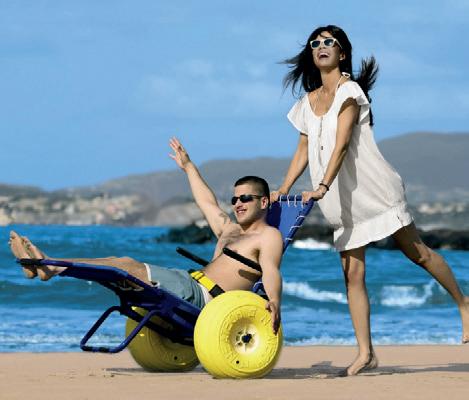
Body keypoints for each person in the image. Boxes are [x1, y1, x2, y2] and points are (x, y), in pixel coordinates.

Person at [271, 25, 469, 375]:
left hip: (373, 190)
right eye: (315, 43)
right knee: (352, 274)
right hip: (342, 200)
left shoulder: (350, 91)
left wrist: (322, 185)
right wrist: (284, 188)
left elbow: (342, 143)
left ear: (342, 53)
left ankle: (464, 303)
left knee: (418, 253)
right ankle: (366, 354)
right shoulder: (306, 103)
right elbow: (303, 149)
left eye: (329, 42)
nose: (321, 46)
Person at [10, 137, 284, 333]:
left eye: (245, 198)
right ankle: (50, 267)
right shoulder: (230, 230)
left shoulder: (268, 235)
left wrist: (273, 300)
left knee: (124, 265)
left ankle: (52, 267)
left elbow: (271, 270)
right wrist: (189, 167)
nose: (238, 204)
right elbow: (207, 202)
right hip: (188, 283)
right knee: (119, 264)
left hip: (203, 298)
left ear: (264, 202)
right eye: (235, 199)